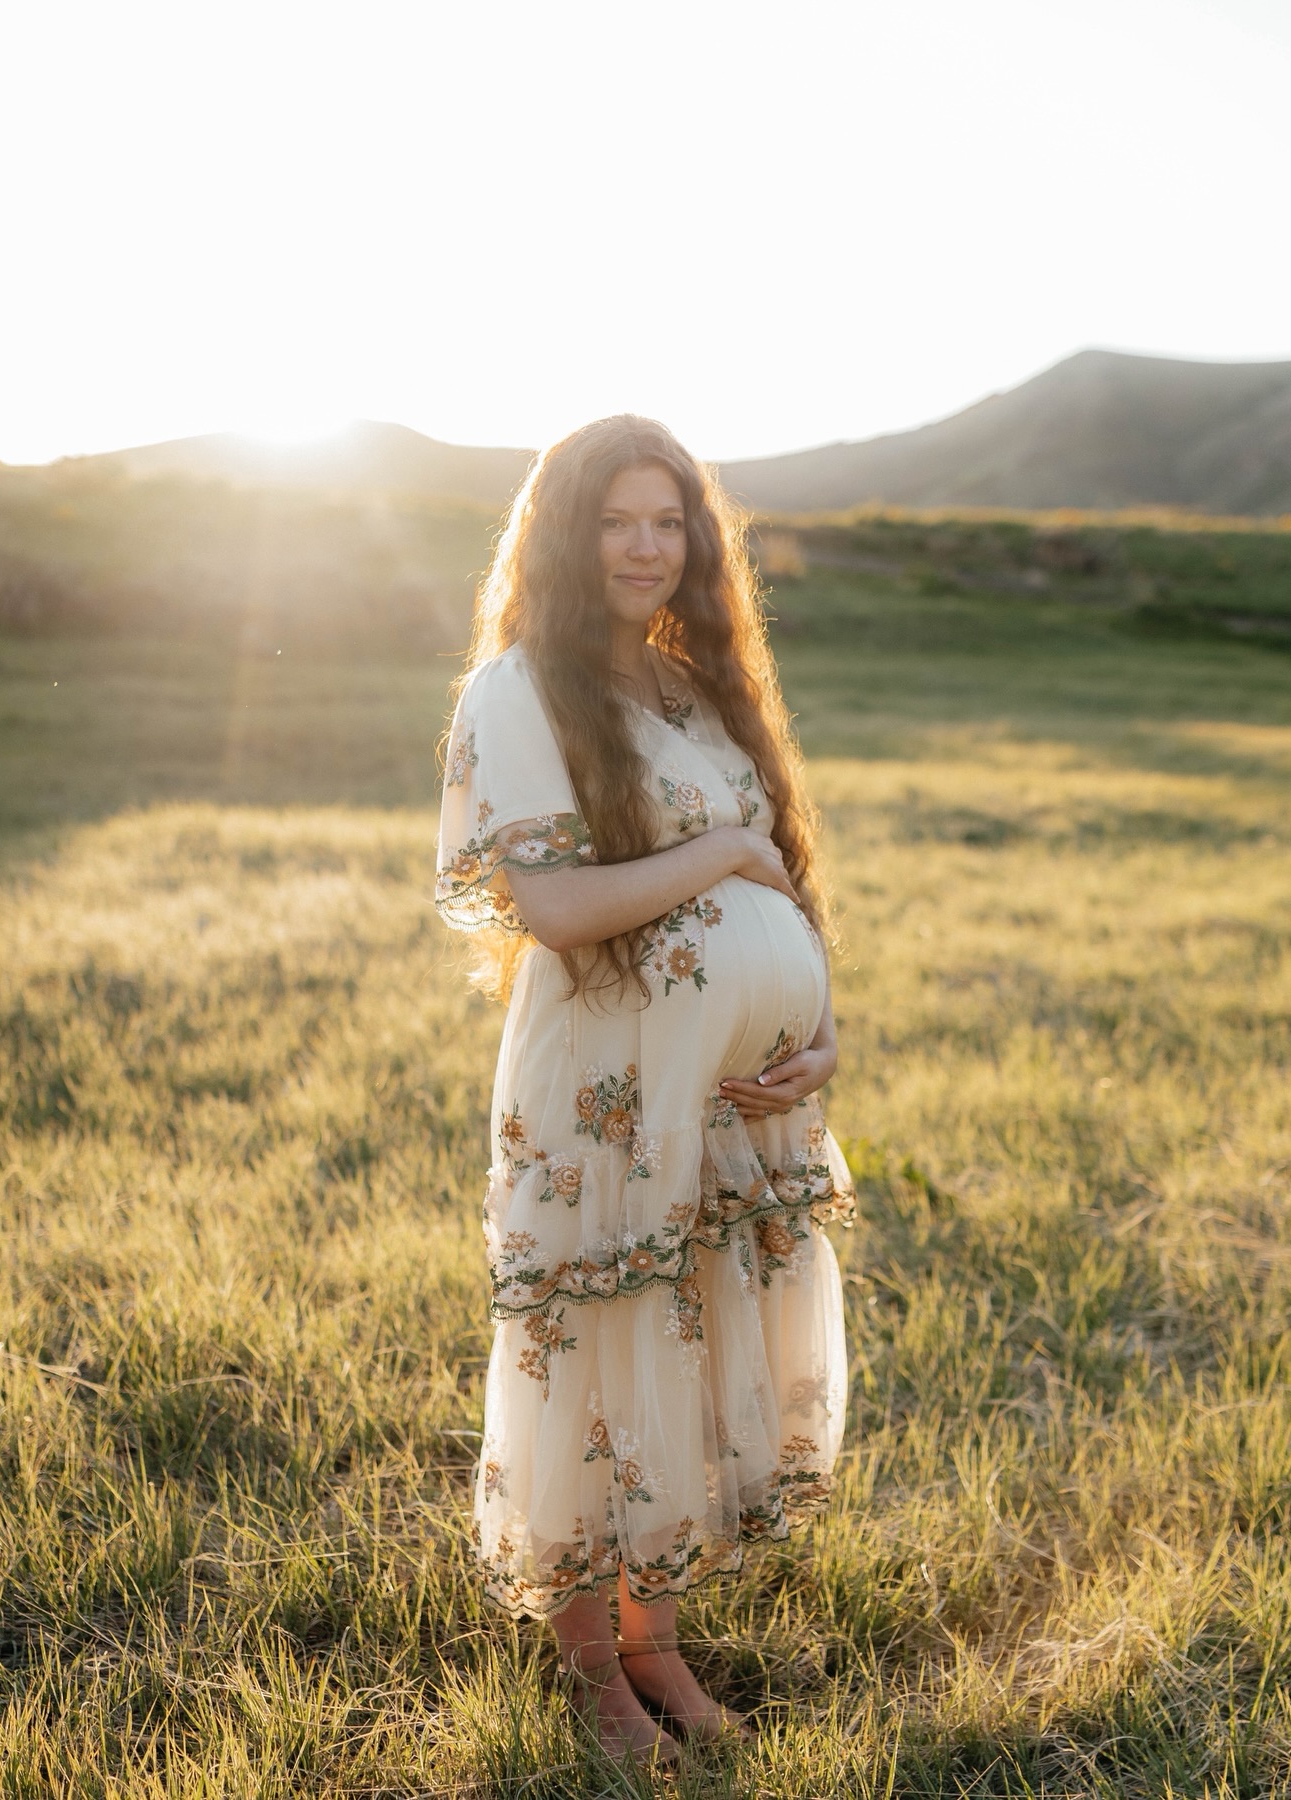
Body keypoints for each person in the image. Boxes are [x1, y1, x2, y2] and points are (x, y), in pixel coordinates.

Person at [434, 415, 855, 1771]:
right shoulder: (520, 689)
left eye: (668, 520)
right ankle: (596, 1676)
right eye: (616, 520)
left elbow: (783, 887)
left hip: (725, 1100)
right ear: (564, 534)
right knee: (597, 1356)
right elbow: (556, 908)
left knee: (686, 1341)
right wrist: (723, 852)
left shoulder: (697, 685)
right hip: (601, 1090)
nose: (646, 546)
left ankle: (656, 1642)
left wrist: (818, 1032)